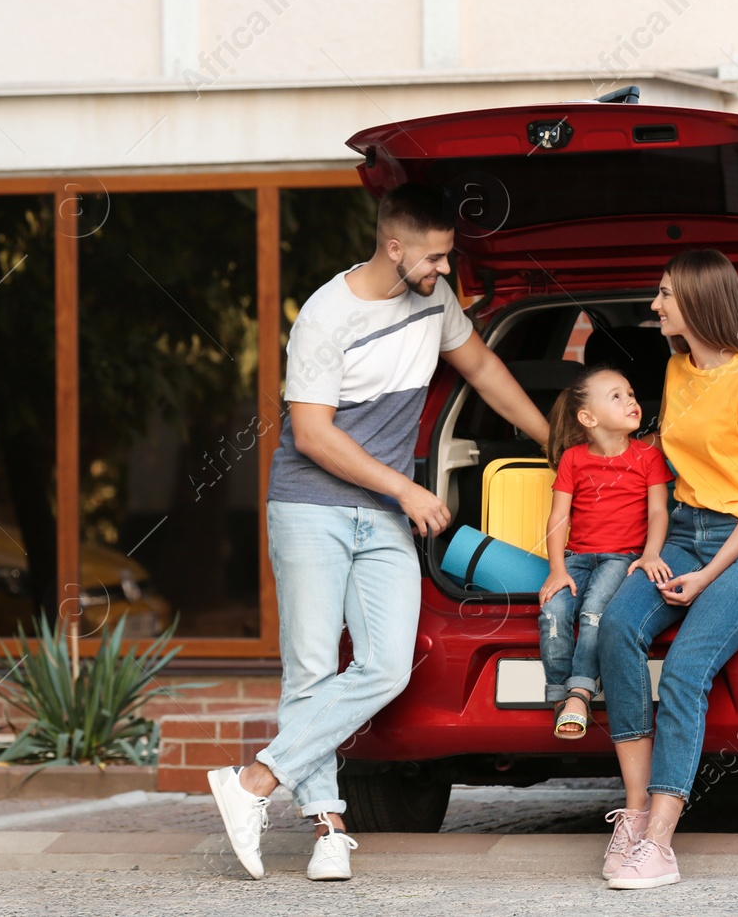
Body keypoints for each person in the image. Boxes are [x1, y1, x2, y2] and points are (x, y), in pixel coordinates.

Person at [207, 183, 551, 882]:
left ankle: (252, 783)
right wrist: (404, 488)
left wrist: (558, 442)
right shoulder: (325, 318)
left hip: (384, 514)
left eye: (450, 257)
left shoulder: (433, 299)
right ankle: (328, 828)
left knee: (387, 666)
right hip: (314, 509)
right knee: (310, 669)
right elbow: (310, 434)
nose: (446, 271)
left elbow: (481, 367)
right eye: (436, 257)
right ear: (393, 248)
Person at [597, 249, 738, 890]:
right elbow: (674, 464)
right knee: (616, 628)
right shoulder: (677, 368)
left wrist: (708, 577)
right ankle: (632, 813)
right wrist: (652, 548)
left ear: (697, 303)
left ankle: (659, 843)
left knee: (685, 670)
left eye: (663, 295)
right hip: (684, 531)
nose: (653, 306)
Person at [538, 367, 672, 740]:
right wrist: (556, 570)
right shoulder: (573, 460)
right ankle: (558, 697)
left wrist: (649, 555)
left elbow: (658, 511)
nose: (631, 400)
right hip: (577, 558)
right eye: (617, 396)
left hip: (621, 557)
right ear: (588, 418)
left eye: (630, 393)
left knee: (596, 610)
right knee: (554, 611)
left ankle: (579, 693)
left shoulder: (648, 457)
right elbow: (558, 517)